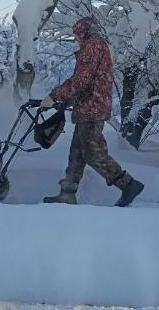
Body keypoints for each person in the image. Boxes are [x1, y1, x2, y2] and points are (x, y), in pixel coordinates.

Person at [41, 16, 144, 207]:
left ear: (85, 32)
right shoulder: (97, 47)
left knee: (93, 152)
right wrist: (65, 100)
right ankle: (67, 194)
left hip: (92, 109)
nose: (75, 38)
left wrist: (55, 96)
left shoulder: (92, 47)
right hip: (89, 106)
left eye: (77, 34)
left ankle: (128, 184)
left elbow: (81, 80)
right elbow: (88, 82)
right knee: (77, 153)